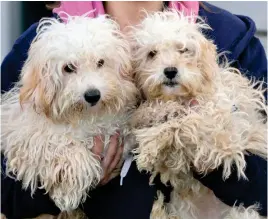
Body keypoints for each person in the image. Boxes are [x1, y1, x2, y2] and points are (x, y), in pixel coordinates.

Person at [1, 2, 267, 219]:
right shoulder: (42, 48)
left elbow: (262, 188)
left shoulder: (230, 39)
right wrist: (63, 178)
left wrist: (202, 145)